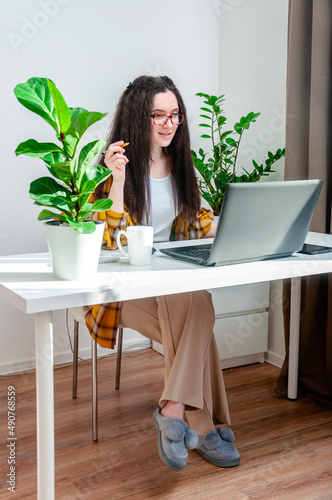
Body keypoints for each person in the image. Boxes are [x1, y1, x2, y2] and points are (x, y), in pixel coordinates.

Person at [84, 75, 240, 471]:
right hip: (119, 288)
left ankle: (173, 411)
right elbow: (106, 244)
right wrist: (117, 181)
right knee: (198, 316)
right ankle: (204, 426)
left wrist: (239, 221)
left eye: (175, 115)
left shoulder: (179, 165)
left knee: (195, 301)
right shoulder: (110, 169)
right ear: (140, 117)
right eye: (159, 115)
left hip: (169, 281)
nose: (169, 123)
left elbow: (198, 221)